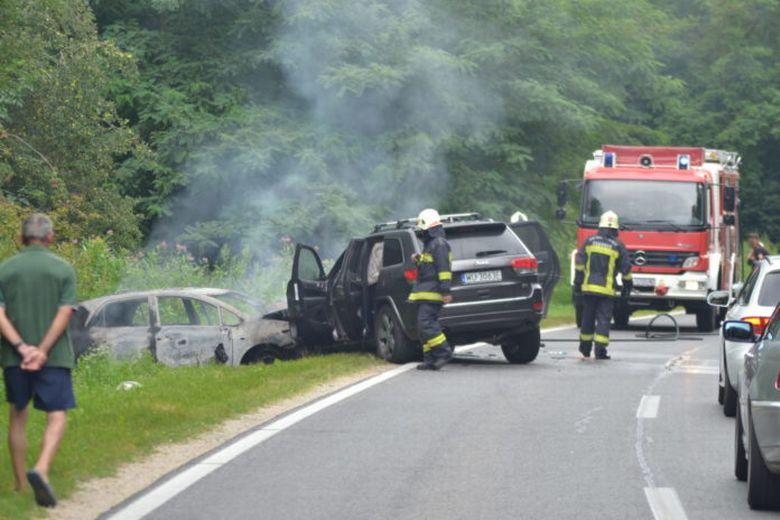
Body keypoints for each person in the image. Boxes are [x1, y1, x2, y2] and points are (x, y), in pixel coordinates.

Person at [0, 214, 77, 507]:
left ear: (21, 238)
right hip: (54, 357)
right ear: (50, 237)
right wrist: (42, 350)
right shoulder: (63, 269)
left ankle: (20, 485)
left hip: (13, 358)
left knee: (18, 415)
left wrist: (21, 348)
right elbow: (64, 312)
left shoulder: (5, 269)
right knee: (56, 414)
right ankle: (41, 469)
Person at [574, 211, 632, 360]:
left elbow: (579, 264)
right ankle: (600, 351)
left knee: (587, 318)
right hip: (606, 291)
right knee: (603, 320)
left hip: (588, 288)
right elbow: (626, 269)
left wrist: (577, 285)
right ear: (615, 229)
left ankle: (585, 349)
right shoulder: (618, 245)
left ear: (600, 226)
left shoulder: (589, 241)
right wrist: (627, 288)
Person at [409, 209, 453, 370]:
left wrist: (446, 291)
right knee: (423, 326)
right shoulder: (431, 245)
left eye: (422, 228)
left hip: (433, 292)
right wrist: (418, 259)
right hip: (425, 292)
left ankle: (443, 352)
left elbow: (443, 269)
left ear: (428, 227)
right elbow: (429, 267)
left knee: (425, 323)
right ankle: (430, 359)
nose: (420, 232)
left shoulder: (439, 244)